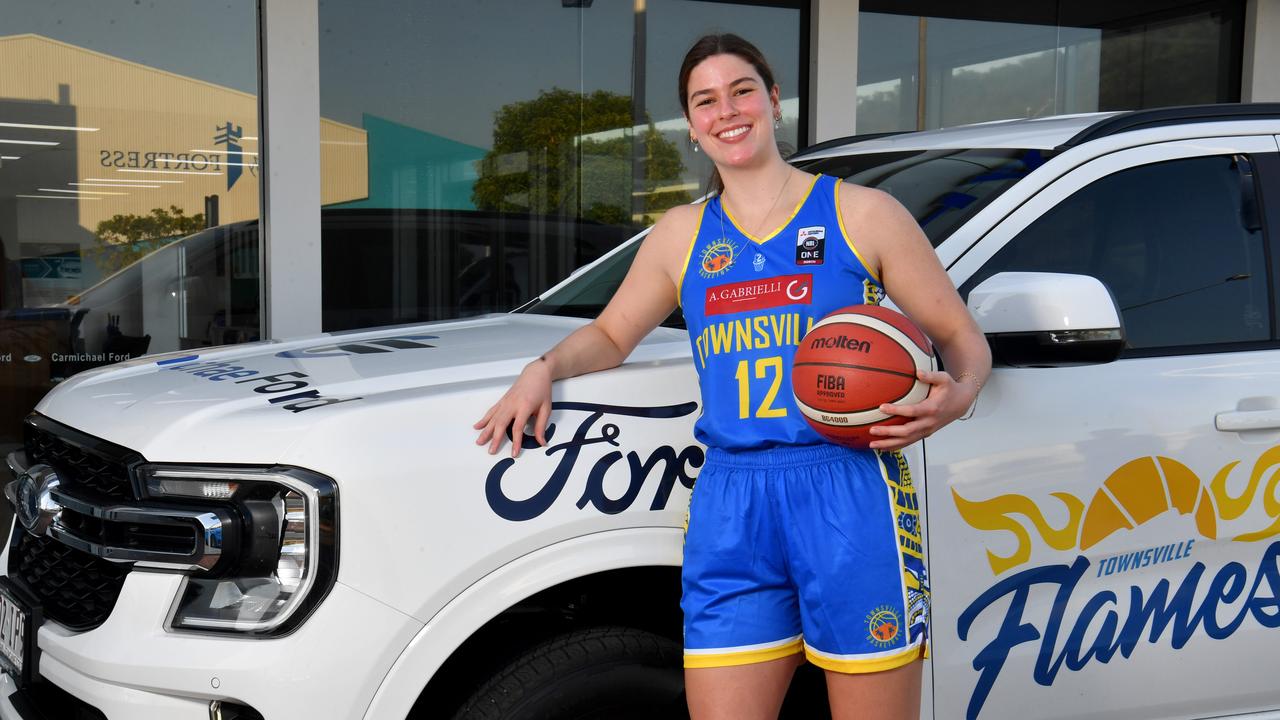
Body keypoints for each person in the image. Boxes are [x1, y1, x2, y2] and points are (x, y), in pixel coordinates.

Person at [474, 33, 991, 720]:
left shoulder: (861, 214)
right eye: (705, 100)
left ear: (775, 101)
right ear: (691, 126)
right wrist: (543, 370)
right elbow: (610, 334)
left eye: (742, 90)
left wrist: (957, 397)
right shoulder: (681, 236)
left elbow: (961, 337)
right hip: (730, 501)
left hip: (850, 491)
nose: (727, 111)